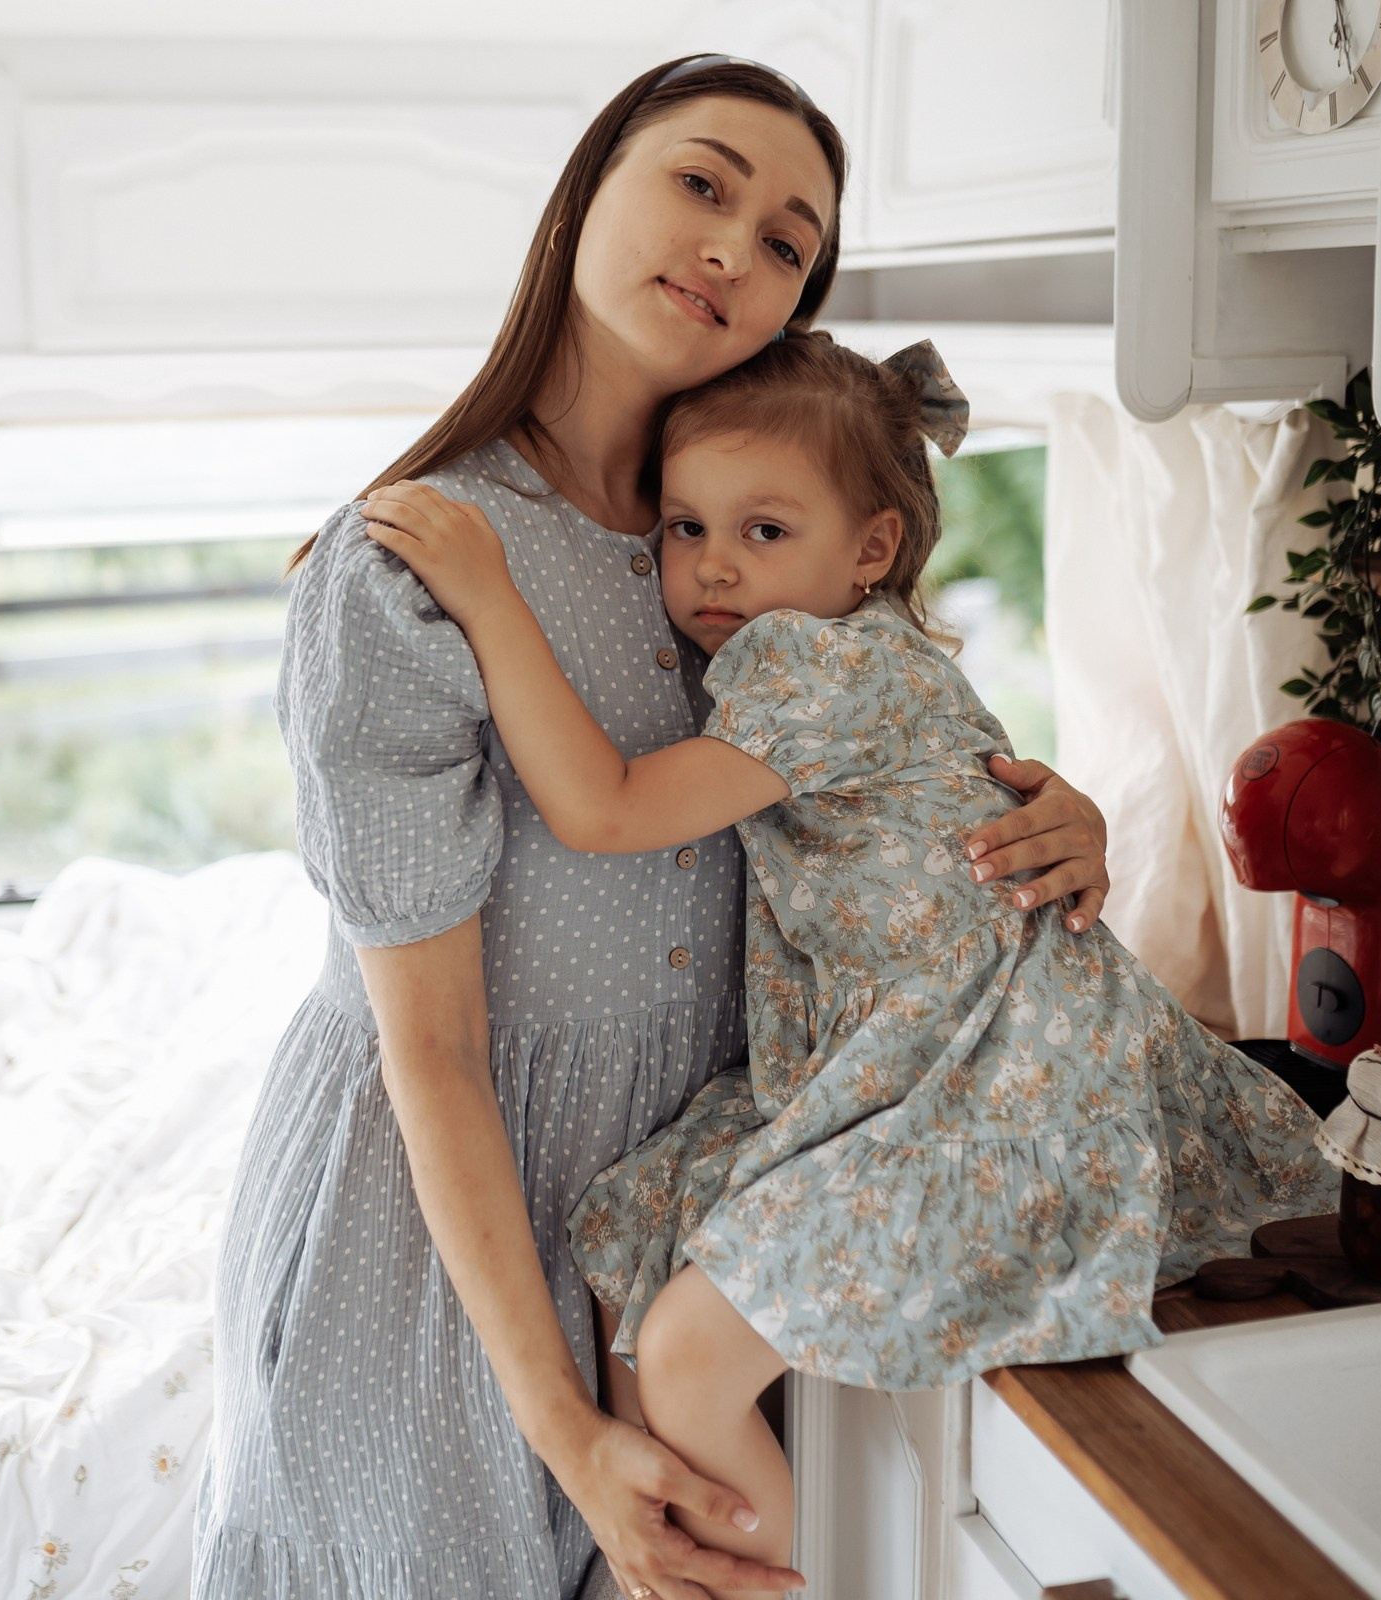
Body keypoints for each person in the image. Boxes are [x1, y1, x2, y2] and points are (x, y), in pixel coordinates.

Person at [193, 57, 1118, 1600]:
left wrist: (1053, 823)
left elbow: (885, 773)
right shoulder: (418, 561)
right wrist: (560, 1425)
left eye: (787, 243)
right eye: (703, 184)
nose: (733, 250)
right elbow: (432, 1049)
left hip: (699, 1213)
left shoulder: (761, 531)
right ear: (585, 196)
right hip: (439, 1235)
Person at [360, 331, 1337, 1597]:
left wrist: (490, 597)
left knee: (688, 1353)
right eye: (685, 527)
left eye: (764, 530)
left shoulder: (817, 663)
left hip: (985, 1074)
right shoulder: (842, 648)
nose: (713, 565)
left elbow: (603, 807)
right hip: (906, 1051)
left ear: (871, 547)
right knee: (628, 1227)